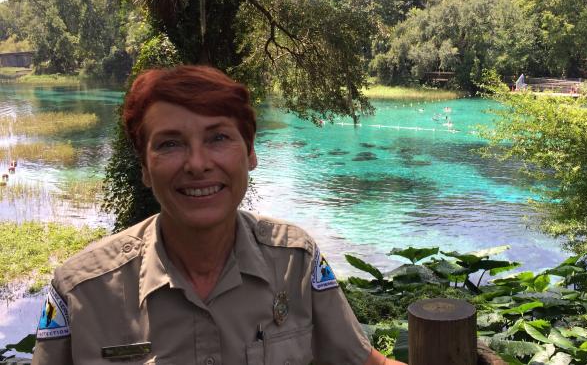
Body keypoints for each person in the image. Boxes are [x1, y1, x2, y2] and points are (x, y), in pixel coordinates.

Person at [31, 65, 404, 365]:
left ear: (251, 153)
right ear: (144, 168)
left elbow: (365, 361)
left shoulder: (296, 262)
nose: (197, 164)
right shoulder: (81, 292)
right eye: (170, 144)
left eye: (218, 138)